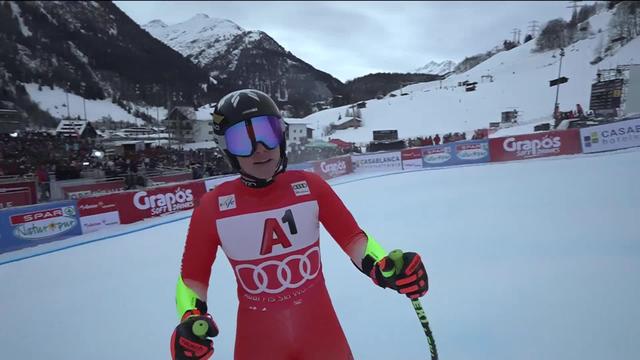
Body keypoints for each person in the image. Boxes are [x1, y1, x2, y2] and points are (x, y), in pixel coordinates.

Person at [170, 89, 429, 360]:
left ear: (280, 135)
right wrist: (190, 319)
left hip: (322, 338)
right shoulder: (212, 208)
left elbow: (356, 241)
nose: (259, 148)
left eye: (266, 133)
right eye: (241, 140)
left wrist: (383, 266)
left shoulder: (311, 187)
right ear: (226, 149)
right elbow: (191, 280)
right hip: (259, 344)